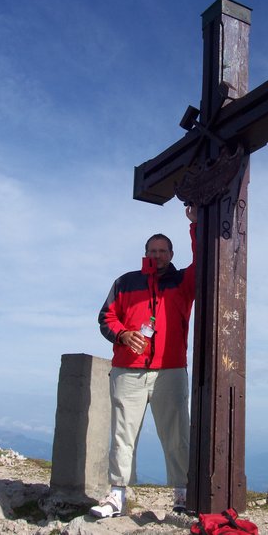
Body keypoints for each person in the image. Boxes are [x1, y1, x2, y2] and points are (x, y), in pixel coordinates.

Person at [90, 205, 197, 518]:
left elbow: (204, 258)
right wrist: (123, 335)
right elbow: (105, 317)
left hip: (171, 370)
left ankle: (183, 494)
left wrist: (196, 225)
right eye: (153, 250)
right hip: (128, 371)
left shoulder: (183, 282)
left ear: (171, 253)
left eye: (163, 250)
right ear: (145, 253)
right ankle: (116, 496)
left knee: (177, 434)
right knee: (123, 434)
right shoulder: (126, 282)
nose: (158, 255)